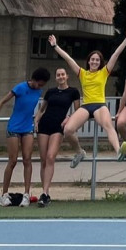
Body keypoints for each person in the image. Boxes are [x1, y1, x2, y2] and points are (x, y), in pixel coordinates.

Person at [48, 26, 126, 161]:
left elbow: (115, 55)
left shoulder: (104, 72)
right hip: (86, 106)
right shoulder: (82, 73)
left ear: (100, 63)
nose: (94, 61)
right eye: (92, 59)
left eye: (97, 60)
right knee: (68, 130)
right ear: (88, 61)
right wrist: (55, 46)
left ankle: (119, 151)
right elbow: (69, 59)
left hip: (100, 105)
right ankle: (79, 152)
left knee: (108, 126)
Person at [0, 67, 50, 207]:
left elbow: (42, 108)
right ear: (34, 80)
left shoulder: (39, 91)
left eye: (43, 85)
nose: (40, 87)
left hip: (27, 127)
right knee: (12, 161)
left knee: (27, 160)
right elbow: (2, 101)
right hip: (14, 127)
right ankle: (4, 195)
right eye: (39, 84)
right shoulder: (20, 87)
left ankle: (26, 194)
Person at [34, 68, 84, 207]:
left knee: (51, 157)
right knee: (43, 159)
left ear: (67, 76)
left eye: (63, 74)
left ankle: (44, 193)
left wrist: (69, 118)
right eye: (58, 75)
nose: (61, 76)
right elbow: (42, 109)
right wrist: (36, 121)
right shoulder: (50, 92)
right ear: (56, 78)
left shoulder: (73, 92)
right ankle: (45, 193)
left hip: (58, 126)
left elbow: (77, 110)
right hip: (44, 125)